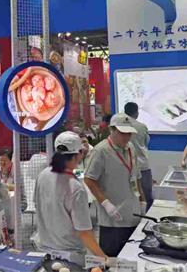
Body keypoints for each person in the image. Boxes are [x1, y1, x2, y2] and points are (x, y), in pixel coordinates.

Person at [33, 131, 108, 265]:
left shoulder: (42, 175)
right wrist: (104, 258)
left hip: (44, 252)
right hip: (69, 257)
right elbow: (84, 232)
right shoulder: (76, 188)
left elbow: (37, 204)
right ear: (79, 154)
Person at [85, 113, 145, 257]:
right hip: (113, 219)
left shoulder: (130, 148)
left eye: (129, 133)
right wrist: (106, 204)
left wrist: (142, 200)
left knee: (131, 257)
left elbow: (136, 176)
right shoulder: (101, 151)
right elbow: (89, 179)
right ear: (111, 130)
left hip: (133, 214)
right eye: (122, 133)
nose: (127, 137)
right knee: (112, 259)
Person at [124, 102, 153, 211]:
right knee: (146, 194)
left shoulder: (121, 126)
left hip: (126, 165)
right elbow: (146, 143)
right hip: (142, 165)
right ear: (136, 112)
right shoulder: (142, 126)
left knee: (130, 194)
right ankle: (147, 216)